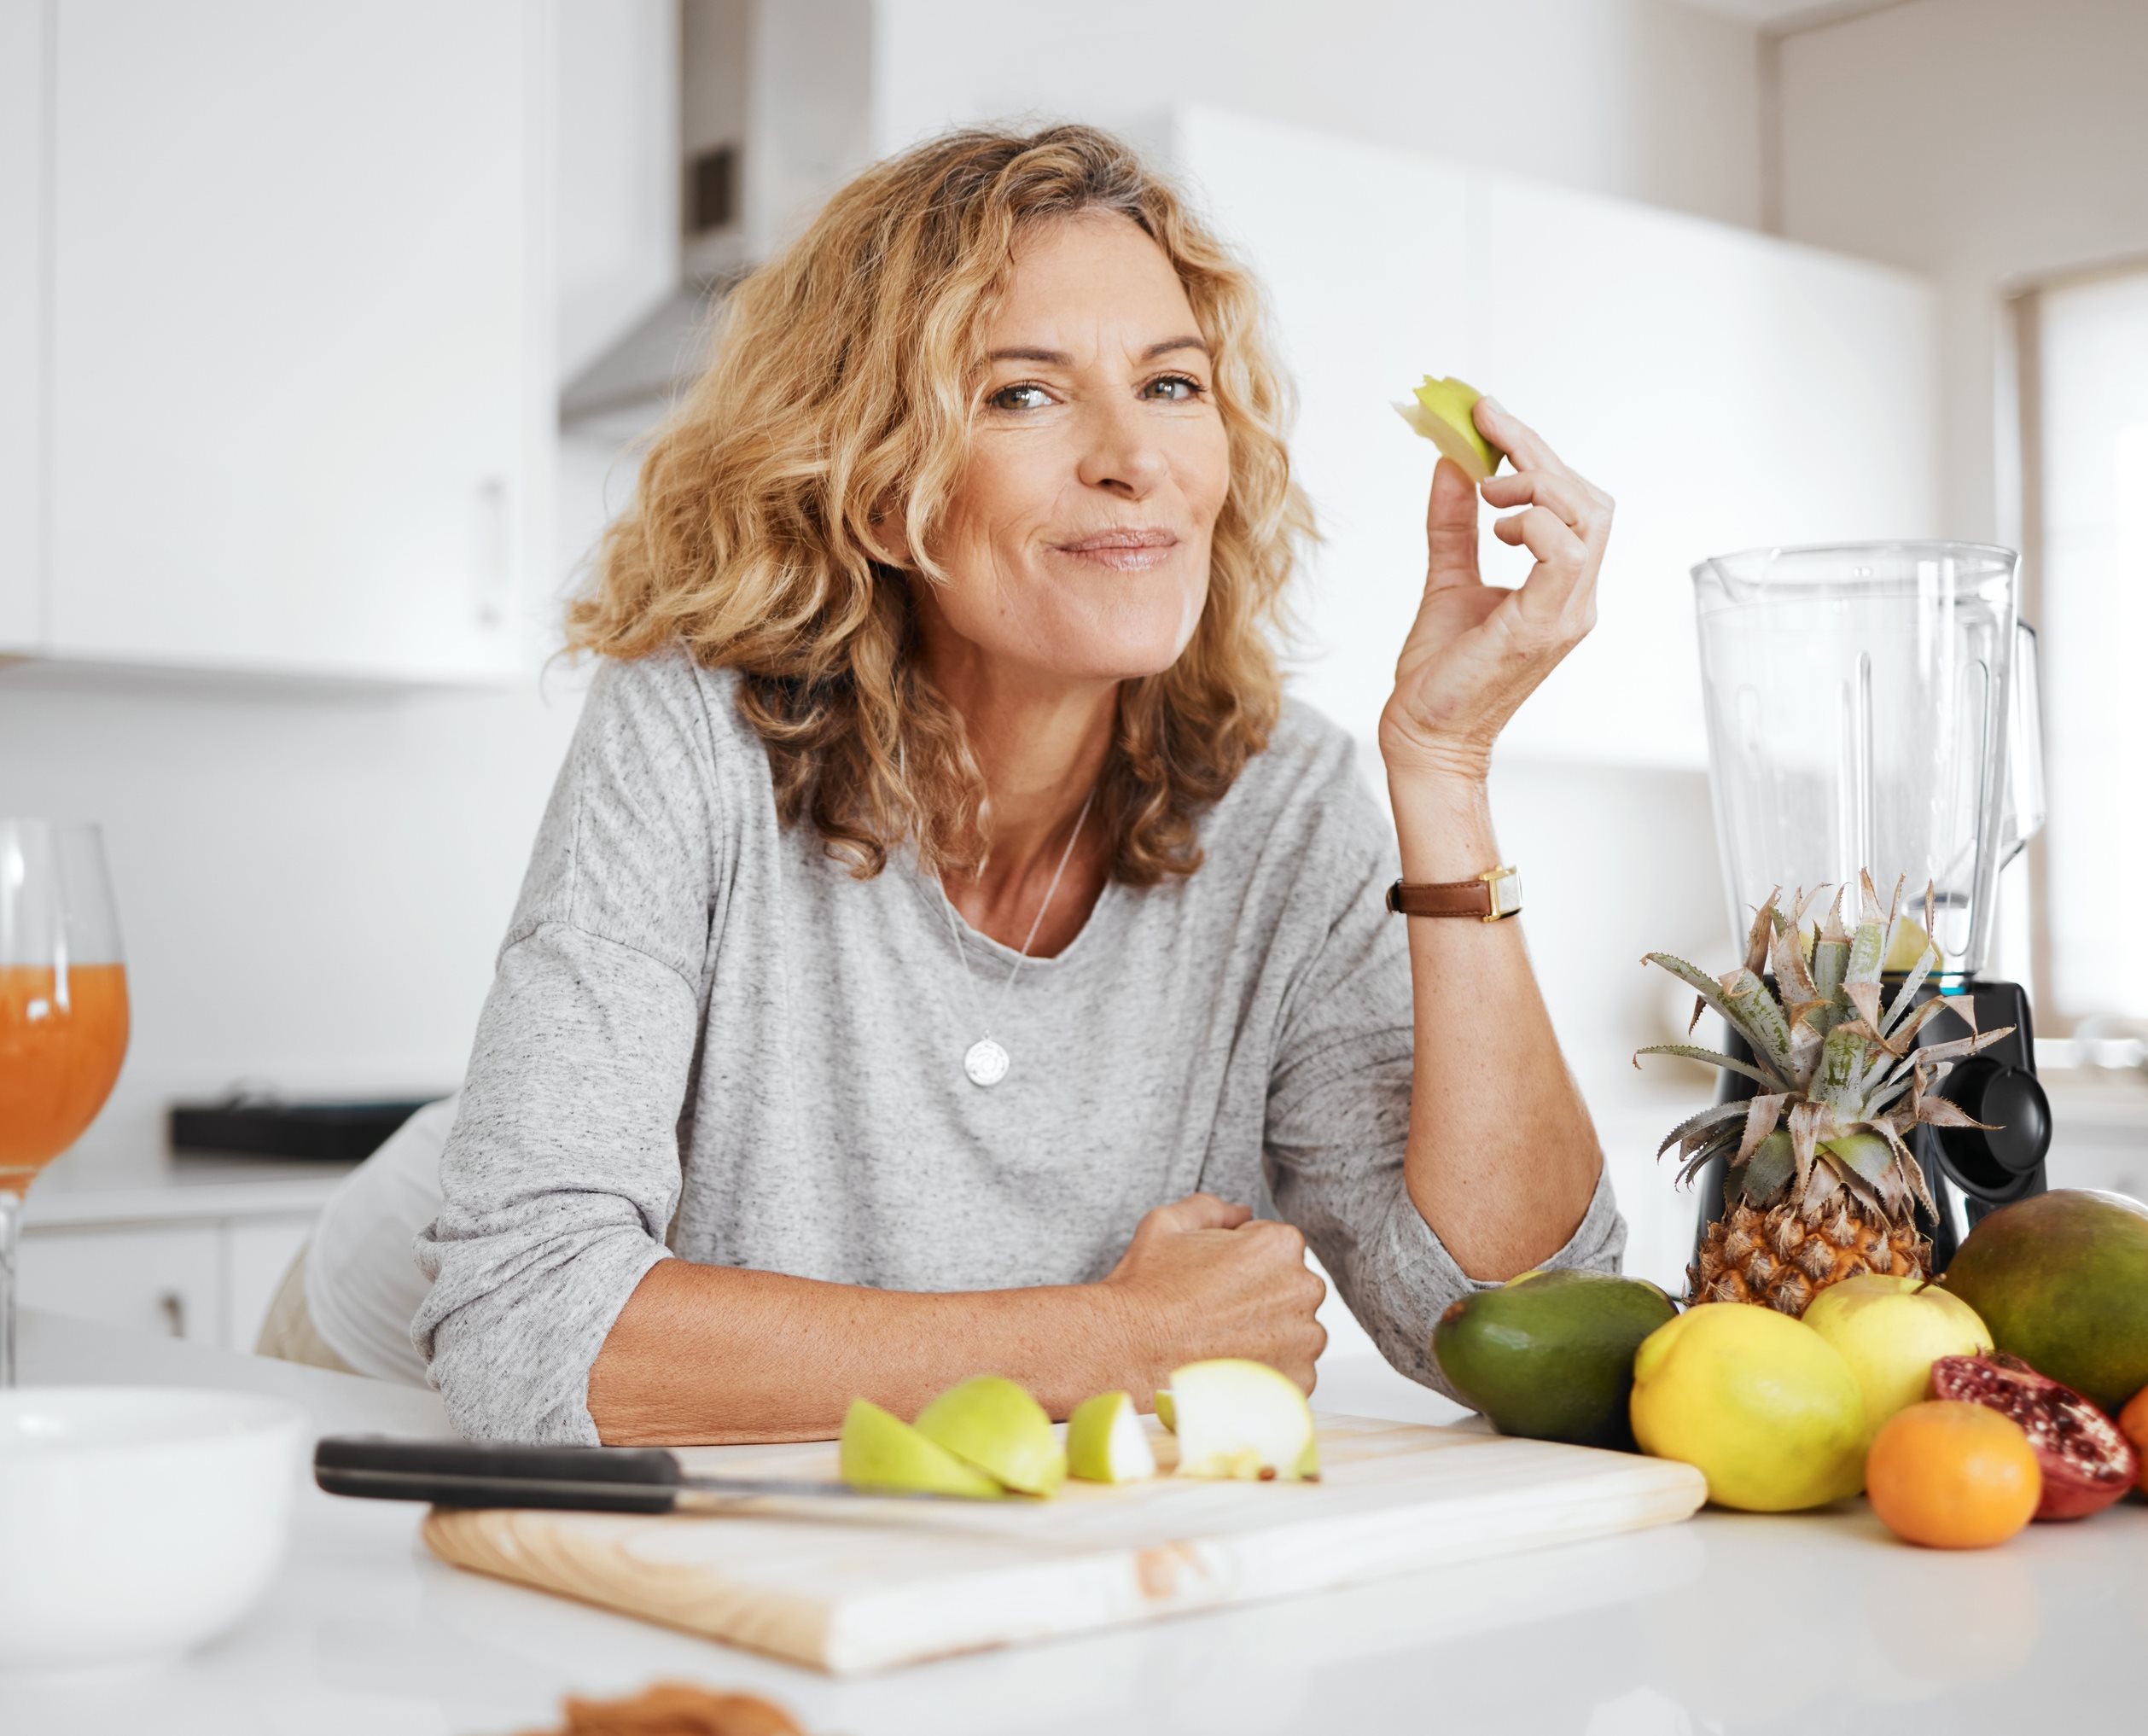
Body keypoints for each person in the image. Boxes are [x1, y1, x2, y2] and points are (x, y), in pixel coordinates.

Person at [415, 124, 1622, 1447]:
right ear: (880, 490)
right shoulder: (692, 731)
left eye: (1171, 383)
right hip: (376, 1369)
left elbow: (1526, 1323)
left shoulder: (1283, 806)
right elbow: (522, 1322)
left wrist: (1443, 772)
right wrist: (1116, 1342)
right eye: (1024, 396)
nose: (1133, 457)